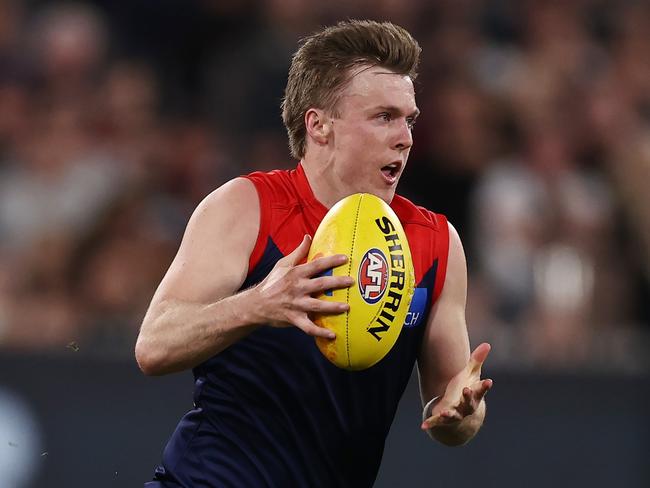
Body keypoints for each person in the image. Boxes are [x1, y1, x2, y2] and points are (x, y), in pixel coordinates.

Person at [136, 19, 493, 488]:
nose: (405, 137)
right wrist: (256, 305)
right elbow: (154, 346)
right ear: (319, 124)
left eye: (409, 119)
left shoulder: (435, 243)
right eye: (384, 117)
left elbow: (452, 408)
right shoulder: (247, 207)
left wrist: (461, 413)